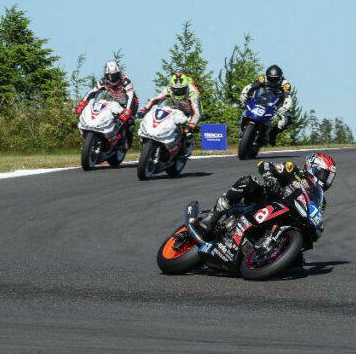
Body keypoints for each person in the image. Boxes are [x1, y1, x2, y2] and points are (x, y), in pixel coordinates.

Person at [198, 153, 338, 235]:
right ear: (313, 167)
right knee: (248, 181)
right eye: (325, 175)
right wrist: (271, 178)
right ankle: (213, 217)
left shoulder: (321, 201)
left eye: (330, 178)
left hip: (282, 220)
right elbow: (264, 164)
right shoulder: (292, 170)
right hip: (262, 201)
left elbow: (313, 221)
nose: (327, 181)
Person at [76, 59, 139, 148]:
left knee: (128, 121)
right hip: (115, 102)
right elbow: (93, 92)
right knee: (104, 113)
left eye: (115, 75)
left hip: (130, 103)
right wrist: (83, 103)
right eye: (109, 76)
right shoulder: (103, 81)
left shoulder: (125, 81)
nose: (112, 78)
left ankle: (127, 143)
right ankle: (106, 136)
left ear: (119, 73)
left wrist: (128, 110)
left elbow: (131, 96)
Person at [138, 72, 202, 155]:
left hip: (191, 112)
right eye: (176, 89)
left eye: (181, 89)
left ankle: (186, 148)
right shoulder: (169, 88)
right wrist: (144, 109)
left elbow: (197, 113)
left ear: (186, 87)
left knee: (186, 131)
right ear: (172, 87)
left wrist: (191, 125)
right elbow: (156, 99)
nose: (178, 92)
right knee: (164, 117)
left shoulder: (194, 93)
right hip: (177, 108)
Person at [239, 64, 294, 146]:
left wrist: (284, 107)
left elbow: (287, 97)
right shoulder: (262, 78)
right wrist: (244, 95)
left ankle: (273, 133)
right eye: (270, 78)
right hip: (261, 99)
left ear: (280, 77)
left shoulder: (285, 84)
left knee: (287, 119)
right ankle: (242, 129)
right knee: (247, 108)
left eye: (274, 79)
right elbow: (250, 87)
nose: (272, 80)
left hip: (278, 102)